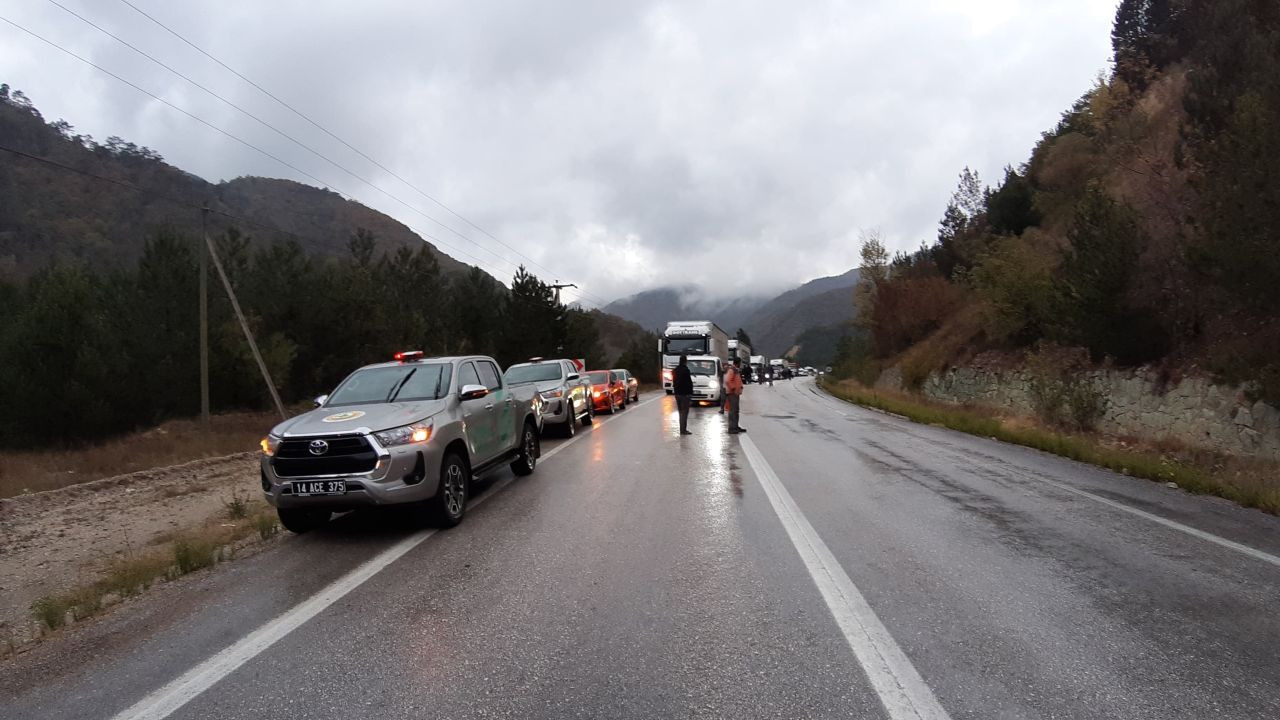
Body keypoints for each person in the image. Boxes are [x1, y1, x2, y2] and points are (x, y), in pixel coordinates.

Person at [673, 354, 694, 435]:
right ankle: (683, 430)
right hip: (685, 394)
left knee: (680, 412)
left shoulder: (676, 370)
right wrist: (690, 393)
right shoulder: (686, 370)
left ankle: (682, 429)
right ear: (685, 361)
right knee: (684, 412)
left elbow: (674, 382)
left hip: (677, 394)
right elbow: (689, 383)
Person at [724, 357, 746, 434]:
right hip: (732, 393)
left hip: (735, 393)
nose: (741, 364)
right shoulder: (732, 370)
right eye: (740, 363)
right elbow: (727, 380)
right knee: (733, 411)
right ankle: (732, 428)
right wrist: (733, 388)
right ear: (738, 362)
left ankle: (735, 426)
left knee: (736, 410)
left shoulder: (735, 370)